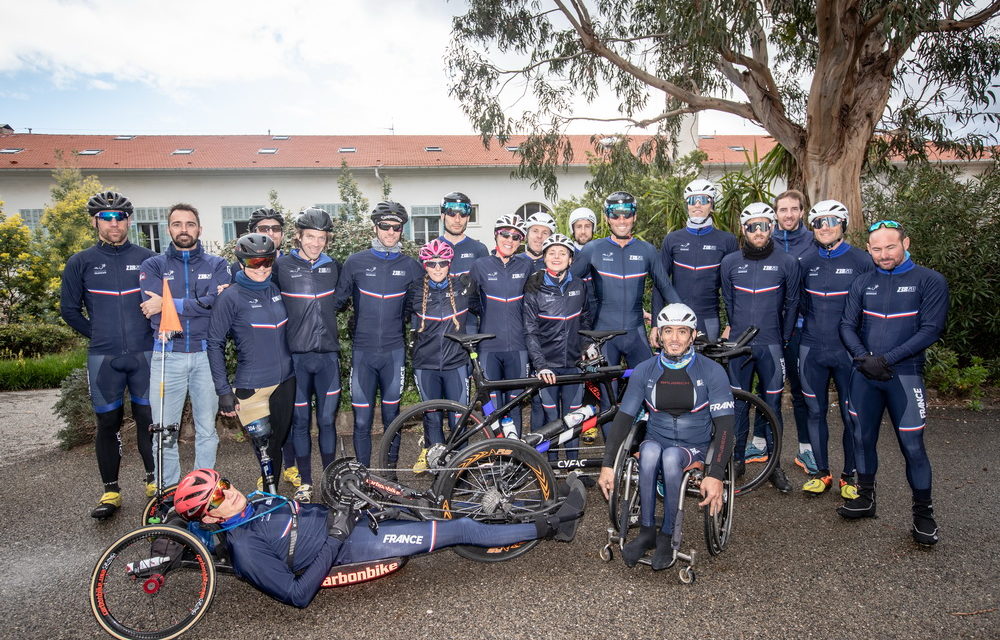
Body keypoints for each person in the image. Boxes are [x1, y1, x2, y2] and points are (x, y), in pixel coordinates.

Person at [172, 466, 587, 608]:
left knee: (432, 507)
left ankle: (539, 511)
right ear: (209, 517)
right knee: (455, 529)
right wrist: (336, 536)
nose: (231, 490)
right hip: (354, 546)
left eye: (223, 481)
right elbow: (297, 595)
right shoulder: (246, 548)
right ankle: (554, 526)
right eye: (220, 495)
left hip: (348, 521)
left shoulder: (250, 506)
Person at [597, 304, 735, 569]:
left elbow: (726, 427)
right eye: (668, 331)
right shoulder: (645, 370)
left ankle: (669, 533)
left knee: (671, 457)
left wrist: (716, 473)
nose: (674, 338)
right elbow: (624, 419)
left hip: (693, 447)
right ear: (658, 335)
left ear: (693, 335)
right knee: (648, 451)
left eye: (682, 332)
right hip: (655, 441)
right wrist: (607, 465)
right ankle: (647, 530)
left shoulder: (711, 371)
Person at [838, 220, 949, 546]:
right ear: (869, 249)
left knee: (912, 446)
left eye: (890, 246)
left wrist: (886, 360)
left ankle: (923, 515)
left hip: (905, 374)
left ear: (905, 243)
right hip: (864, 374)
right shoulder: (863, 282)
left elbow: (931, 330)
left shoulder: (929, 281)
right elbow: (846, 325)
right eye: (876, 248)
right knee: (862, 438)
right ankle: (866, 498)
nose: (883, 254)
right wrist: (863, 358)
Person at [60, 191, 157, 519]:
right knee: (107, 423)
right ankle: (111, 491)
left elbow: (163, 303)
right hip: (104, 358)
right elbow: (69, 310)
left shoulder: (147, 258)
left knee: (149, 421)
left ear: (129, 221)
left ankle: (154, 483)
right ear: (95, 221)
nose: (114, 224)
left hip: (144, 354)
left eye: (120, 217)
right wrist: (99, 336)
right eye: (106, 218)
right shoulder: (81, 261)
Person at [139, 204, 230, 489]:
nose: (184, 229)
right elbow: (152, 310)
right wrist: (200, 303)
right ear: (169, 229)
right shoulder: (153, 265)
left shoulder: (217, 264)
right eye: (177, 224)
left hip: (206, 355)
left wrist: (170, 304)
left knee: (206, 429)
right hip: (167, 355)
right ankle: (166, 492)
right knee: (164, 431)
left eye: (190, 224)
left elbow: (218, 306)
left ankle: (200, 491)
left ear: (199, 229)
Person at [333, 202, 422, 466]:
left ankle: (390, 476)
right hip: (363, 353)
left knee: (392, 418)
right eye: (385, 226)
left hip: (393, 353)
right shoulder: (355, 262)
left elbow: (413, 307)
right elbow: (336, 301)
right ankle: (363, 475)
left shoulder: (412, 266)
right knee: (362, 420)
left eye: (397, 227)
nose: (391, 232)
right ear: (375, 227)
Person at [720, 202, 800, 493]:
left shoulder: (787, 262)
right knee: (739, 403)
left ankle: (774, 465)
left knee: (773, 405)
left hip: (771, 344)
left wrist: (784, 337)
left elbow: (792, 304)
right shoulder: (729, 262)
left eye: (764, 225)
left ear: (772, 228)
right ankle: (737, 460)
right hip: (739, 345)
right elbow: (729, 302)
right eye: (752, 226)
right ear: (744, 229)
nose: (758, 231)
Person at [797, 200, 873, 496]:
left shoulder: (861, 260)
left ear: (843, 223)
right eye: (818, 222)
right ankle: (821, 472)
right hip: (812, 348)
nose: (824, 227)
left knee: (850, 414)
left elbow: (871, 307)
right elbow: (798, 304)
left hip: (848, 351)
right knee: (815, 412)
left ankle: (849, 477)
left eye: (830, 221)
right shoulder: (805, 262)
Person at [207, 234, 295, 487]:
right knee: (265, 450)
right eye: (255, 263)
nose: (262, 268)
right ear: (242, 263)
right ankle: (269, 496)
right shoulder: (230, 297)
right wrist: (223, 390)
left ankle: (272, 497)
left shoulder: (276, 288)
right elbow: (214, 344)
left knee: (277, 445)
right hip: (252, 388)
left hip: (286, 382)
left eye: (268, 261)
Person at [272, 208, 342, 502]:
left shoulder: (334, 267)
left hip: (327, 358)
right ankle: (305, 482)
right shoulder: (282, 266)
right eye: (310, 236)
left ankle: (329, 480)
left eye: (321, 238)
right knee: (300, 422)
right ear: (298, 236)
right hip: (296, 359)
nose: (315, 243)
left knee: (327, 421)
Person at [230, 207, 302, 488]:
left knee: (290, 421)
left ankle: (291, 466)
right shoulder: (239, 270)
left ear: (283, 234)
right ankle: (269, 474)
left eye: (275, 229)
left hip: (287, 360)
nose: (270, 234)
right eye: (264, 229)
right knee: (265, 429)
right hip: (256, 366)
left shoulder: (288, 264)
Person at [571, 191, 680, 370]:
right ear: (607, 218)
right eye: (615, 215)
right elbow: (566, 283)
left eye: (627, 214)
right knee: (607, 395)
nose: (621, 220)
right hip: (603, 335)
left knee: (647, 389)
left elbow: (666, 288)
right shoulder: (592, 249)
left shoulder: (647, 250)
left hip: (635, 333)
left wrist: (686, 319)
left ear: (634, 216)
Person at [404, 238, 481, 468]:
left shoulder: (464, 287)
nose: (437, 268)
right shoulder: (415, 290)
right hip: (425, 364)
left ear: (450, 263)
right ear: (424, 265)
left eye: (442, 263)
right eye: (431, 263)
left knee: (458, 418)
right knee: (433, 417)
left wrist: (473, 350)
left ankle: (463, 470)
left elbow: (481, 312)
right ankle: (438, 468)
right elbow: (401, 319)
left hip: (456, 363)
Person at [523, 234, 594, 461]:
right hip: (548, 367)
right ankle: (551, 468)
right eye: (551, 252)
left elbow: (584, 320)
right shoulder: (534, 286)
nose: (556, 257)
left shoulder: (579, 285)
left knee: (574, 419)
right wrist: (540, 365)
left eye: (562, 253)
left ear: (571, 259)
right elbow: (530, 330)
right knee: (552, 420)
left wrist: (587, 345)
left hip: (573, 365)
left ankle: (573, 465)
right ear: (544, 257)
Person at [469, 215, 534, 433]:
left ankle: (514, 456)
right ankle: (495, 453)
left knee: (514, 404)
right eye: (505, 234)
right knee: (492, 407)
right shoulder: (480, 265)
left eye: (516, 236)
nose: (509, 239)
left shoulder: (526, 266)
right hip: (489, 347)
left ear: (521, 241)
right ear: (496, 235)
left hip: (518, 346)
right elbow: (471, 304)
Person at [655, 179, 738, 341]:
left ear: (712, 204)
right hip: (676, 319)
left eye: (704, 200)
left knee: (707, 364)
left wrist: (731, 324)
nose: (698, 205)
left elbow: (734, 288)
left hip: (708, 318)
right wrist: (655, 325)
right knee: (676, 365)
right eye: (693, 200)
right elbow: (660, 284)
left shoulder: (727, 240)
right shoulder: (672, 239)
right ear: (687, 204)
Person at [772, 190, 815, 475]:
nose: (788, 214)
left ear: (802, 212)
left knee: (801, 392)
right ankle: (762, 444)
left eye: (794, 209)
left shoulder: (814, 241)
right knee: (768, 392)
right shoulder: (764, 238)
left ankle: (806, 449)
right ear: (775, 213)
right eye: (783, 209)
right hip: (768, 330)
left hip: (800, 330)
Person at [438, 192, 489, 277]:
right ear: (443, 217)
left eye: (462, 215)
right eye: (452, 214)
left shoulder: (480, 249)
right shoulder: (429, 249)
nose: (457, 220)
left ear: (468, 218)